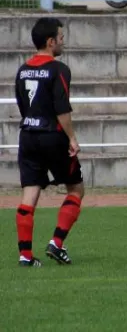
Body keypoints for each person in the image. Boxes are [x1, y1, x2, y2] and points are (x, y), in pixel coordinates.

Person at [14, 17, 84, 267]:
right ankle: (56, 242)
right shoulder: (59, 69)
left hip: (28, 136)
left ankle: (25, 255)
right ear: (50, 41)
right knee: (76, 188)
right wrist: (72, 138)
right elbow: (62, 108)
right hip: (53, 136)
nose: (63, 42)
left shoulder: (22, 70)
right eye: (61, 38)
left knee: (29, 193)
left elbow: (23, 105)